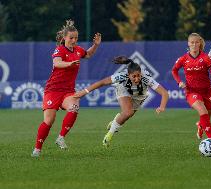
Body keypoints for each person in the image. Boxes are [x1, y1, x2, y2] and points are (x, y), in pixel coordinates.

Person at [31, 20, 102, 157]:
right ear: (64, 38)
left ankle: (61, 137)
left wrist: (95, 45)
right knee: (49, 121)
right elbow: (57, 63)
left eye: (76, 38)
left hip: (68, 91)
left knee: (74, 106)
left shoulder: (78, 50)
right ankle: (37, 149)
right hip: (53, 90)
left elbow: (88, 54)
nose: (74, 40)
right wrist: (69, 64)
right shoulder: (60, 49)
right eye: (71, 38)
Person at [74, 56, 169, 147]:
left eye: (138, 76)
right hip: (124, 89)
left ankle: (115, 121)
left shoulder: (146, 78)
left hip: (140, 94)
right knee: (128, 112)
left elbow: (164, 92)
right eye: (134, 76)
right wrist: (84, 92)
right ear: (128, 75)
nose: (137, 79)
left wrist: (162, 106)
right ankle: (108, 136)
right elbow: (102, 82)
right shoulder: (121, 76)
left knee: (128, 115)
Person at [172, 33, 211, 141]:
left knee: (206, 116)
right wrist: (179, 82)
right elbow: (174, 70)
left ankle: (200, 126)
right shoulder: (183, 59)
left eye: (196, 42)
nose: (194, 44)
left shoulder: (205, 57)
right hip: (191, 91)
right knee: (202, 111)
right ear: (188, 44)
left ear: (200, 43)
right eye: (192, 42)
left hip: (207, 91)